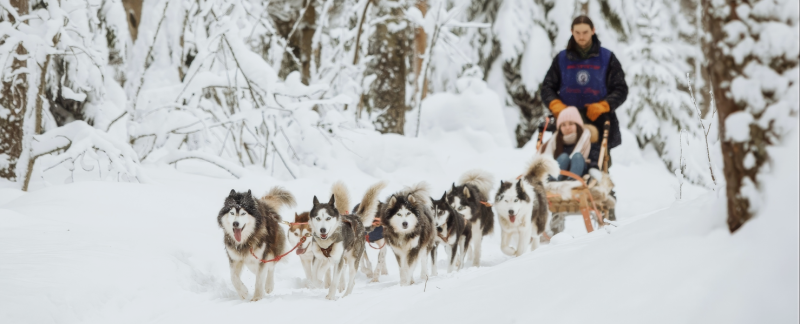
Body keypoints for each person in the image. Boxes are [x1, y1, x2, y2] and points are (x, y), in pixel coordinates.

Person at [540, 15, 627, 171]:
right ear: (571, 32)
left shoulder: (607, 58)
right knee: (561, 155)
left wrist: (604, 105)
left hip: (598, 120)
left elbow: (621, 88)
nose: (581, 36)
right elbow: (547, 87)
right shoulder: (561, 59)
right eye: (577, 32)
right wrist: (556, 105)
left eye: (585, 32)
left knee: (598, 160)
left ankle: (597, 184)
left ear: (593, 31)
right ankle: (559, 182)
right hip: (567, 119)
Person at [538, 107, 592, 180]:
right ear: (559, 128)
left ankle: (572, 181)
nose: (567, 128)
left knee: (577, 156)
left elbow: (595, 160)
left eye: (571, 124)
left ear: (577, 125)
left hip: (581, 174)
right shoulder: (554, 141)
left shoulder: (588, 139)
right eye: (563, 125)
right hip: (558, 173)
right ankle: (552, 180)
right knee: (564, 157)